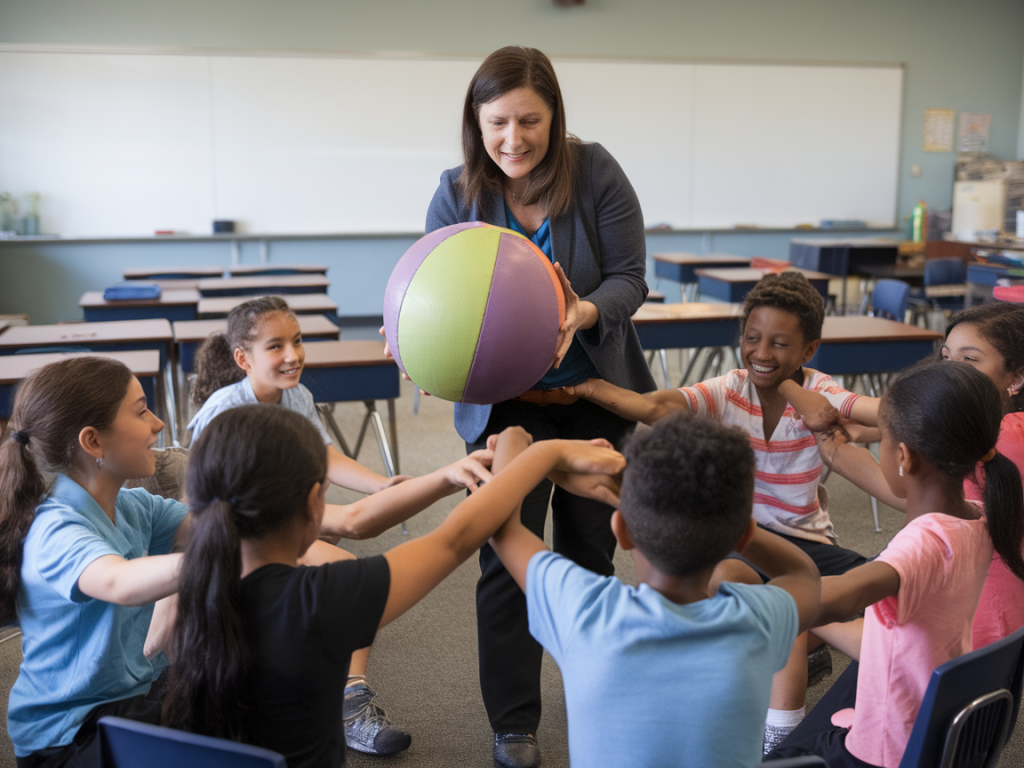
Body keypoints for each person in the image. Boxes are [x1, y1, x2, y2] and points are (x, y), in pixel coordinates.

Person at [423, 45, 656, 767]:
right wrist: (412, 328)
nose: (514, 139)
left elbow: (630, 277)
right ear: (476, 121)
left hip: (591, 398)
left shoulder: (596, 173)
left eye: (530, 121)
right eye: (498, 123)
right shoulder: (455, 189)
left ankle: (595, 690)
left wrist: (582, 310)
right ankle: (514, 723)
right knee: (505, 560)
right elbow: (431, 287)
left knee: (589, 555)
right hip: (503, 413)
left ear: (555, 117)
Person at [162, 405, 625, 768]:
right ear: (314, 504)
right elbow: (456, 538)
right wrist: (542, 451)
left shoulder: (189, 590)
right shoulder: (319, 598)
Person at [565, 270, 874, 749]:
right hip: (745, 537)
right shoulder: (728, 389)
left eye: (779, 343)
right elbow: (656, 406)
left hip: (810, 541)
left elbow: (870, 413)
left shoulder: (819, 393)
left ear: (809, 350)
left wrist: (817, 402)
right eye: (752, 339)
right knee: (730, 585)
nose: (762, 353)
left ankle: (809, 642)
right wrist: (586, 388)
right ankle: (781, 737)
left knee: (882, 603)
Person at [187, 294, 496, 755]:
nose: (292, 355)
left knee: (334, 565)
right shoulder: (224, 412)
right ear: (242, 358)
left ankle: (349, 694)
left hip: (280, 523)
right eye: (275, 346)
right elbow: (351, 523)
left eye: (297, 341)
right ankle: (351, 700)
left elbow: (324, 454)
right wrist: (441, 479)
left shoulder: (296, 395)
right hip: (237, 534)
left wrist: (380, 486)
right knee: (340, 561)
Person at [485, 413, 820, 767]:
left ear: (622, 530)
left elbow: (498, 525)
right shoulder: (757, 622)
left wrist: (528, 444)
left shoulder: (585, 611)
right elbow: (803, 574)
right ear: (744, 536)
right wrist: (727, 525)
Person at [768, 361, 1024, 768]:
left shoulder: (920, 545)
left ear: (903, 455)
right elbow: (896, 639)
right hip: (927, 731)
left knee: (771, 758)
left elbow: (840, 595)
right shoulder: (979, 516)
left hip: (882, 752)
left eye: (882, 440)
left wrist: (762, 589)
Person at [0, 357, 187, 767]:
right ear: (93, 442)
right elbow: (117, 582)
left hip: (132, 695)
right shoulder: (54, 529)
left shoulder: (134, 507)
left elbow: (215, 526)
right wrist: (214, 558)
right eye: (141, 411)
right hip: (70, 734)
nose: (157, 424)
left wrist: (340, 517)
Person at [940, 303, 1024, 649]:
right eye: (946, 358)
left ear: (1016, 378)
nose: (949, 371)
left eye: (969, 360)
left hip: (979, 618)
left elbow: (901, 490)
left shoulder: (1001, 436)